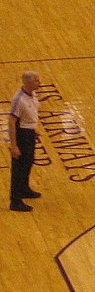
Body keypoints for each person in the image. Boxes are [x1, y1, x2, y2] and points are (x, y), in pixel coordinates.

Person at [8, 71, 41, 212]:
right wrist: (14, 145)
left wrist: (33, 130)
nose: (39, 82)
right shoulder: (19, 99)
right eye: (36, 80)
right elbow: (11, 122)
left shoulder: (32, 94)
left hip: (29, 132)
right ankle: (15, 201)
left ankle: (24, 188)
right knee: (19, 168)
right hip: (22, 135)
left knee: (28, 162)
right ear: (27, 82)